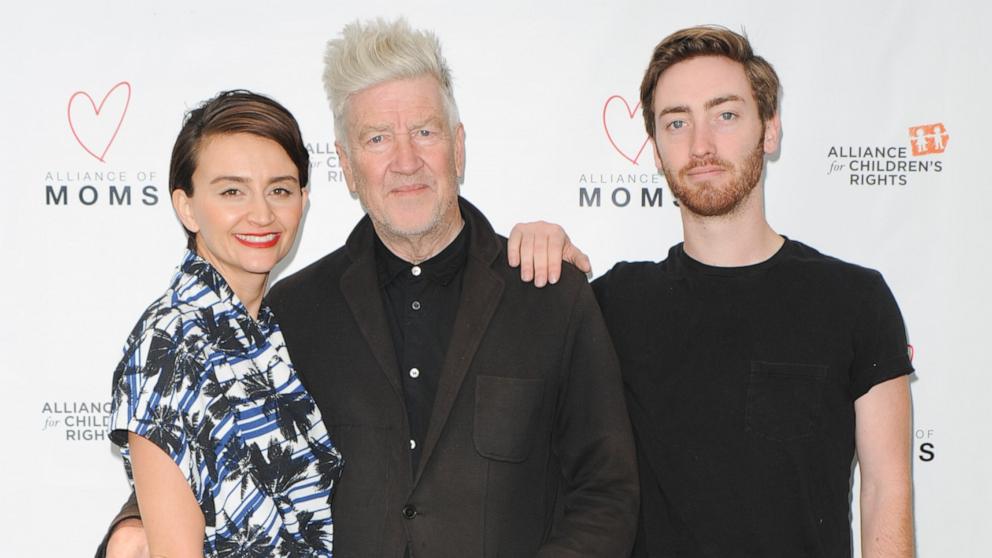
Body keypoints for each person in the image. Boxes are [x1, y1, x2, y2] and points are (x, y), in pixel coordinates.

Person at [99, 19, 633, 558]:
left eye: (424, 131)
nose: (406, 161)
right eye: (377, 138)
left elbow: (606, 492)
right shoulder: (292, 311)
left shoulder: (548, 292)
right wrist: (132, 521)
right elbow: (197, 444)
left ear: (459, 147)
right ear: (348, 168)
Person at [525, 25, 915, 557]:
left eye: (725, 115)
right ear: (657, 150)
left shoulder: (855, 301)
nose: (701, 145)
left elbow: (885, 495)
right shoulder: (611, 305)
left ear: (769, 130)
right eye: (677, 122)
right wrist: (538, 249)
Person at [107, 90, 344, 556]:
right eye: (232, 190)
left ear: (303, 200)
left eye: (280, 189)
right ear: (187, 206)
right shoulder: (170, 345)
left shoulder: (274, 330)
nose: (262, 213)